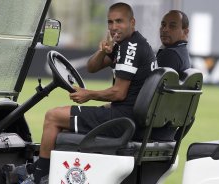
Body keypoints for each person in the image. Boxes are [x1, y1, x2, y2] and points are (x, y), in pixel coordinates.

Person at [11, 2, 156, 184]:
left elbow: (119, 93)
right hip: (129, 116)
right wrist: (102, 51)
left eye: (119, 21)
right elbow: (92, 67)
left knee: (53, 116)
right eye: (110, 22)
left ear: (132, 22)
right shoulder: (126, 43)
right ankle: (49, 172)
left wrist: (88, 94)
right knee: (62, 125)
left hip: (123, 119)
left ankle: (37, 176)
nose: (113, 27)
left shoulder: (130, 48)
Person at [150, 10, 191, 141]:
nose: (165, 29)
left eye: (172, 26)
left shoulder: (170, 55)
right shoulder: (182, 53)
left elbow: (147, 97)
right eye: (163, 25)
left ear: (186, 32)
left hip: (149, 130)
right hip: (165, 131)